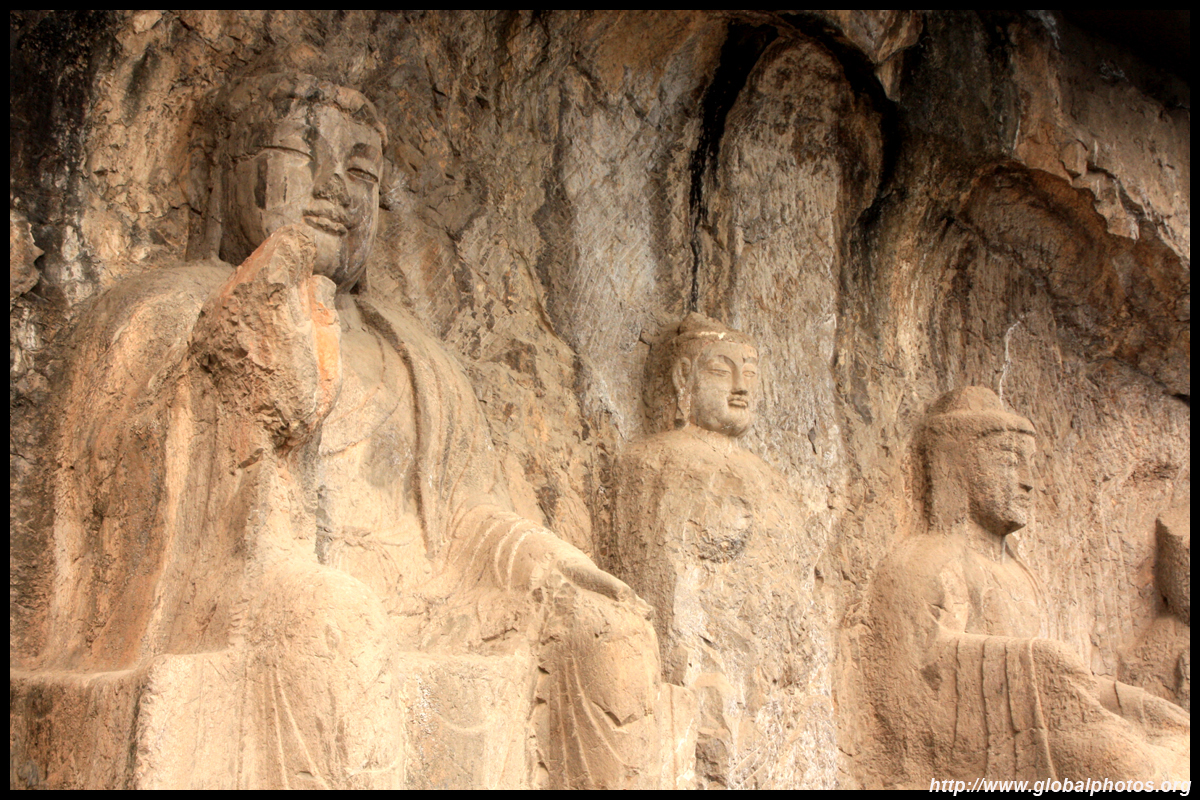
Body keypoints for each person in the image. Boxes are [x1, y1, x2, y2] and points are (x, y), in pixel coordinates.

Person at [32, 70, 687, 789]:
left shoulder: (414, 355)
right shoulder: (165, 312)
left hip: (431, 601)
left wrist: (549, 561)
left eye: (360, 171)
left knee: (609, 632)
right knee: (338, 626)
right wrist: (247, 342)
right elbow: (126, 506)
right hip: (244, 589)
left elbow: (465, 514)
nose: (334, 189)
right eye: (301, 153)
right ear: (227, 172)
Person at [865, 387, 1189, 786]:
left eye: (1029, 465)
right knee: (1130, 766)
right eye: (1008, 462)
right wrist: (1036, 659)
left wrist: (1135, 702)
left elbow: (1068, 681)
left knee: (1177, 733)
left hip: (1040, 717)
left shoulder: (1020, 575)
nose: (1027, 483)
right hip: (985, 742)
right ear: (958, 466)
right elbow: (916, 674)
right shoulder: (928, 561)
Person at [608, 313, 817, 788]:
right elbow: (657, 576)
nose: (741, 387)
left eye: (751, 374)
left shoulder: (773, 480)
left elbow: (793, 581)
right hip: (701, 661)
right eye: (723, 371)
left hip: (768, 674)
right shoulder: (654, 461)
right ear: (684, 377)